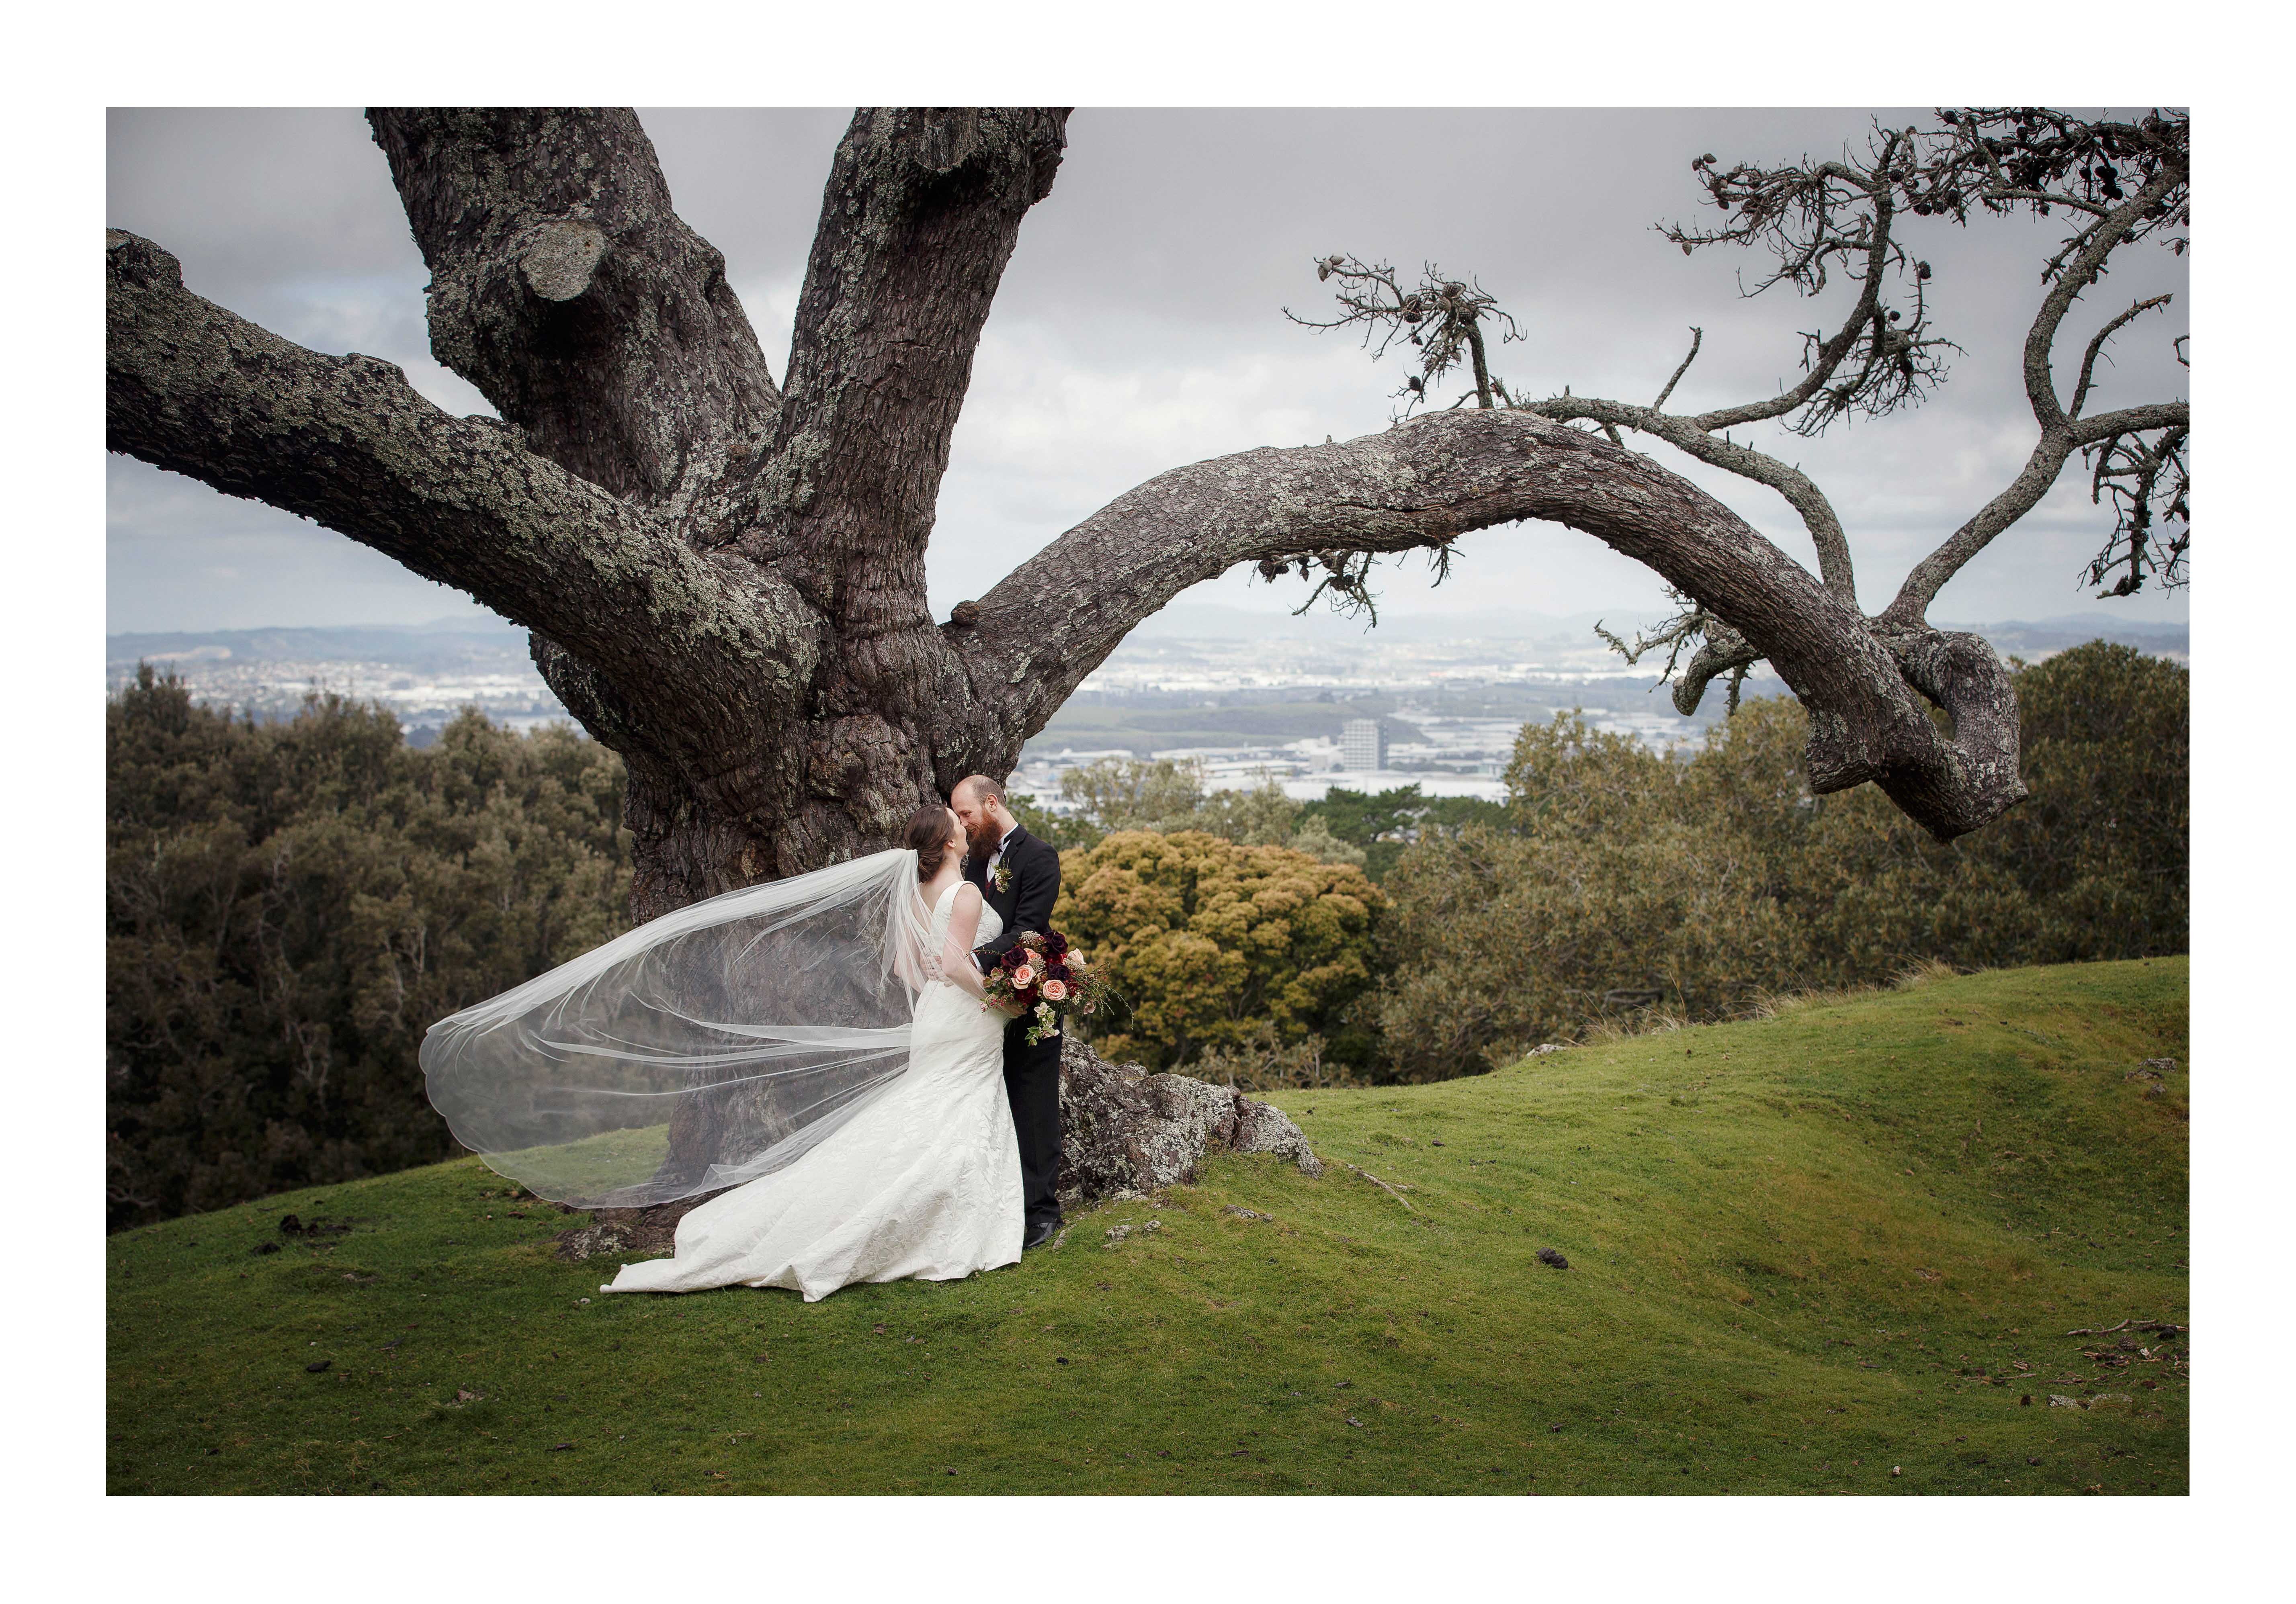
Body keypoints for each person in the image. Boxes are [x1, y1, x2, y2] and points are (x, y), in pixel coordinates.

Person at [950, 774, 1067, 1250]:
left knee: (1033, 1104)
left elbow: (1028, 930)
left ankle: (1042, 1213)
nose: (962, 824)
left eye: (966, 815)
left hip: (1029, 999)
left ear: (992, 803)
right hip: (975, 1001)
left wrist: (970, 959)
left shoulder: (1039, 856)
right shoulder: (974, 858)